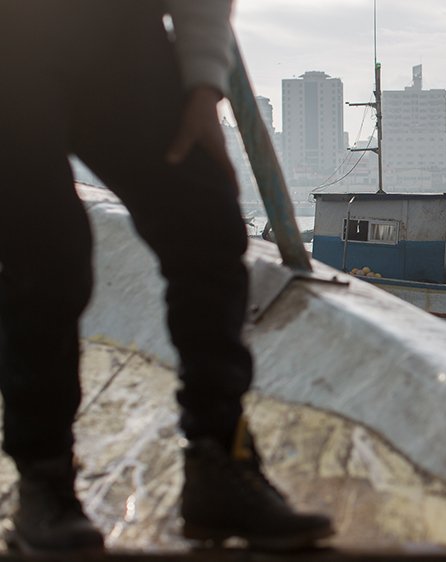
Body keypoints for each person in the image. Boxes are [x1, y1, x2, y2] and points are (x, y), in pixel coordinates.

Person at [0, 0, 331, 554]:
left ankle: (219, 460)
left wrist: (204, 86)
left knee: (209, 224)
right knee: (46, 252)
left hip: (120, 35)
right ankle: (44, 482)